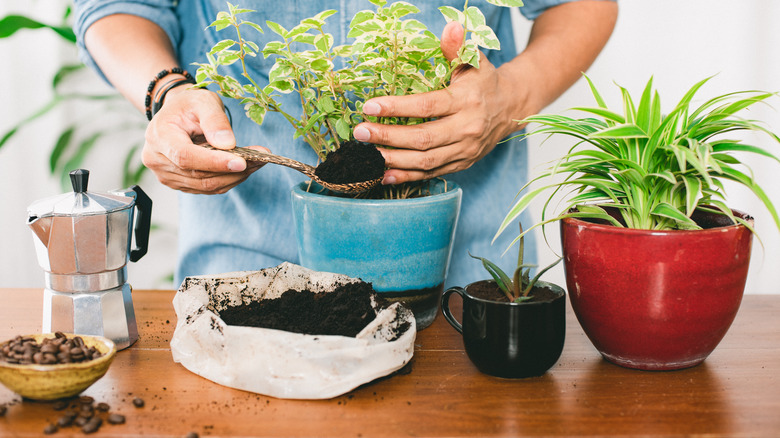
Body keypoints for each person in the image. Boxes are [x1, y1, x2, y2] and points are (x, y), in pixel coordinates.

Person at [73, 0, 618, 288]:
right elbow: (120, 5)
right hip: (251, 254)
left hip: (465, 261)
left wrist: (511, 98)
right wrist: (166, 92)